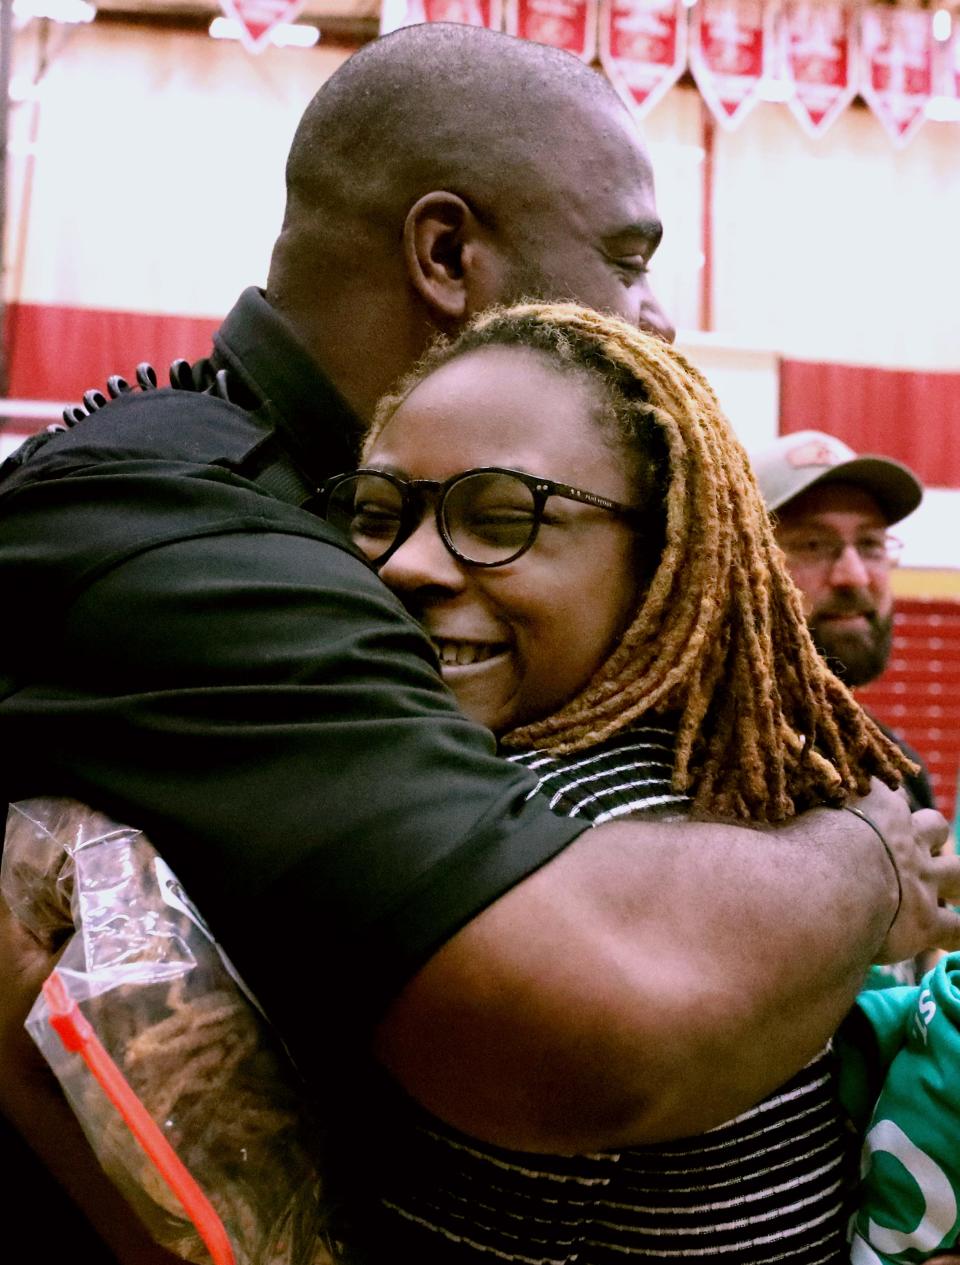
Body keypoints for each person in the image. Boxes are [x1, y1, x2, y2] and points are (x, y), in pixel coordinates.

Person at [0, 23, 957, 1264]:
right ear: (448, 252)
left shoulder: (269, 505)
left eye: (495, 519)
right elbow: (584, 1018)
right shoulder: (172, 528)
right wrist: (871, 857)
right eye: (629, 257)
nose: (656, 316)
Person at [314, 299, 928, 1261]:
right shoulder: (746, 797)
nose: (412, 564)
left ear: (662, 563)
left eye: (501, 516)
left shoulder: (561, 834)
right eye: (377, 514)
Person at [752, 429, 935, 811]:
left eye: (870, 544)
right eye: (813, 545)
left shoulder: (896, 766)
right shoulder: (700, 765)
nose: (854, 575)